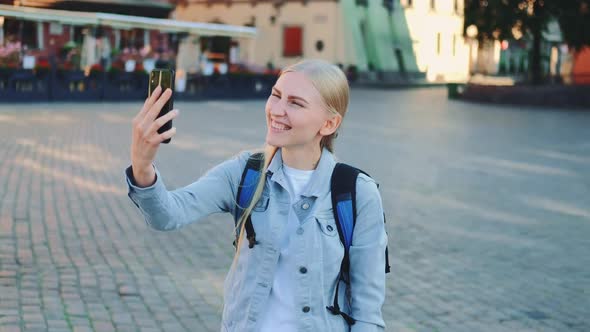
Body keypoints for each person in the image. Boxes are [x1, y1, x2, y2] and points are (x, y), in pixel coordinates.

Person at [125, 59, 387, 331]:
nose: (277, 110)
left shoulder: (357, 192)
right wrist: (141, 166)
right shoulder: (245, 173)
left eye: (295, 103)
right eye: (276, 96)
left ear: (329, 124)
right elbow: (167, 215)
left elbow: (367, 313)